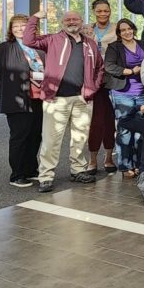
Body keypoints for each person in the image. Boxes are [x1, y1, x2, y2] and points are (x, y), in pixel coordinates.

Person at [24, 10, 103, 193]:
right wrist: (35, 18)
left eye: (75, 19)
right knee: (51, 141)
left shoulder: (89, 44)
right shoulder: (52, 40)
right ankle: (46, 176)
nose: (71, 22)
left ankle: (78, 170)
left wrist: (92, 88)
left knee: (80, 138)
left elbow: (100, 68)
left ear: (81, 21)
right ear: (62, 23)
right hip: (56, 100)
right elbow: (28, 40)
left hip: (82, 99)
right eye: (67, 19)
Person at [0, 17, 44, 187]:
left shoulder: (38, 46)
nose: (20, 29)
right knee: (20, 136)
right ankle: (17, 174)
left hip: (38, 98)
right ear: (11, 29)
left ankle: (31, 170)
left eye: (24, 25)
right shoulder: (6, 48)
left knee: (35, 135)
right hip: (16, 100)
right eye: (16, 26)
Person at [104, 19, 144, 178]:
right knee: (124, 131)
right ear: (118, 33)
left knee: (139, 131)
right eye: (123, 30)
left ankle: (137, 164)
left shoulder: (143, 44)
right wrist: (130, 71)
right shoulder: (114, 47)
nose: (127, 32)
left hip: (142, 92)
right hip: (123, 93)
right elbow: (109, 67)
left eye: (129, 29)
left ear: (134, 29)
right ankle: (125, 165)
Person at [88, 0, 117, 175]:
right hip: (92, 79)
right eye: (99, 11)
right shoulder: (87, 30)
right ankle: (92, 160)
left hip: (112, 79)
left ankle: (109, 157)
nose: (103, 14)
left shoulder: (117, 29)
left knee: (109, 120)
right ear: (94, 12)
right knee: (95, 120)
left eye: (106, 10)